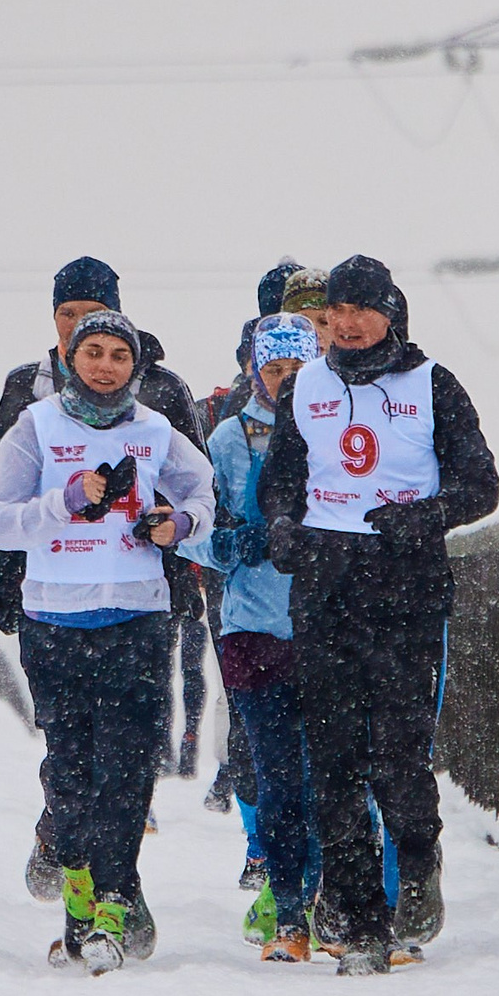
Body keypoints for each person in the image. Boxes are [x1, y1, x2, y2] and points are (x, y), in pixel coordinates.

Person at [261, 255, 499, 976]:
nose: (347, 323)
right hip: (327, 584)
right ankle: (361, 919)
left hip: (405, 584)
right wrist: (281, 527)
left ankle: (420, 858)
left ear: (391, 313)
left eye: (363, 310)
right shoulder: (305, 387)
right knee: (332, 761)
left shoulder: (433, 386)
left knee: (398, 753)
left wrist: (425, 517)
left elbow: (481, 485)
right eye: (335, 312)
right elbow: (281, 481)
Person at [0, 308, 215, 974]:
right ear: (73, 358)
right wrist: (61, 501)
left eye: (119, 354)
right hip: (54, 622)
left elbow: (205, 499)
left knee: (128, 767)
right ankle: (80, 892)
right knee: (70, 768)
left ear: (135, 367)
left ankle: (113, 900)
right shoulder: (38, 426)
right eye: (94, 352)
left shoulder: (155, 431)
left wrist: (176, 524)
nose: (105, 364)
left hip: (135, 619)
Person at [182, 313, 324, 961]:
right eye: (275, 369)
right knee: (276, 775)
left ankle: (325, 897)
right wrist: (247, 540)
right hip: (252, 628)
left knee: (328, 773)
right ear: (254, 371)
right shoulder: (230, 440)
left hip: (325, 624)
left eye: (298, 369)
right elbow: (202, 535)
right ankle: (289, 907)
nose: (287, 381)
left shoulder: (334, 430)